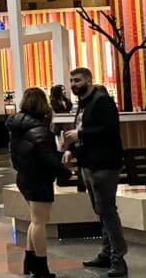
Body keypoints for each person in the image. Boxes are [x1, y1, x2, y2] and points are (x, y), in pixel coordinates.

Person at [62, 67, 128, 277]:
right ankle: (107, 253)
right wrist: (71, 150)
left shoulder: (102, 101)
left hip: (105, 165)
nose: (73, 84)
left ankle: (118, 258)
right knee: (100, 210)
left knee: (107, 211)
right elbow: (80, 131)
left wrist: (80, 133)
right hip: (88, 164)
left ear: (89, 80)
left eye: (77, 80)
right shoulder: (82, 104)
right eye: (71, 80)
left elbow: (109, 129)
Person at [8, 87, 72, 278]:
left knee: (36, 220)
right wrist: (66, 172)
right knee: (39, 222)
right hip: (38, 179)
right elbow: (46, 158)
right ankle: (41, 268)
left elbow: (36, 153)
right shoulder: (39, 129)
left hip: (24, 177)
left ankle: (30, 260)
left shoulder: (19, 125)